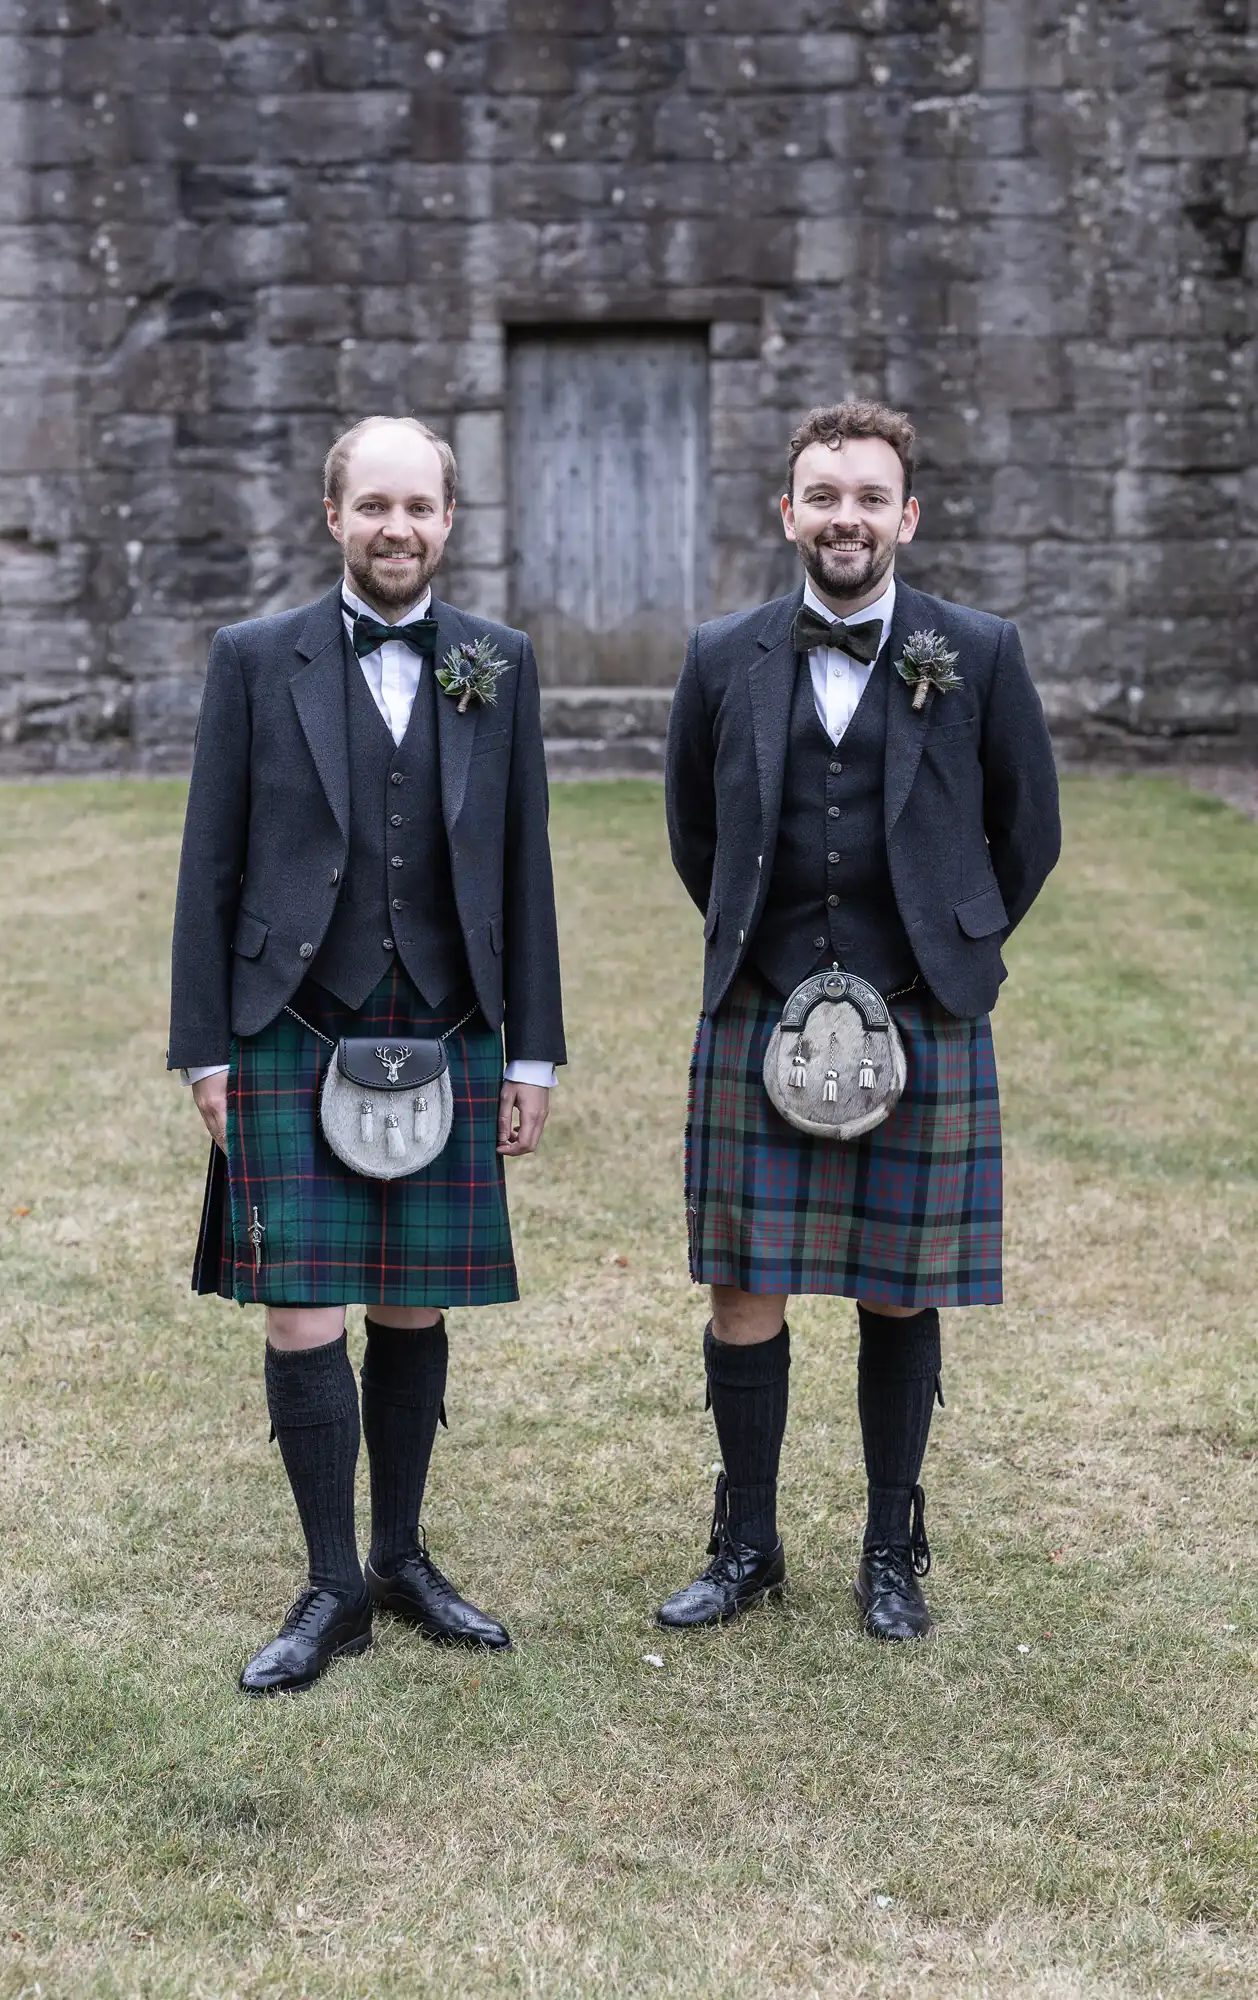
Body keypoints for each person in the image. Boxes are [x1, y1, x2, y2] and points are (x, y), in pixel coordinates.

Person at [167, 415, 564, 1694]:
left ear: (450, 520)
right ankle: (331, 1582)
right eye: (373, 505)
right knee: (303, 1308)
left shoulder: (498, 665)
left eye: (421, 507)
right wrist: (201, 1048)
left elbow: (525, 867)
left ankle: (400, 1554)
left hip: (446, 1018)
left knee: (412, 1295)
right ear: (330, 514)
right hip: (288, 1016)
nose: (397, 527)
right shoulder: (252, 658)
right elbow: (208, 863)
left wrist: (534, 1053)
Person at [658, 399, 1060, 1640]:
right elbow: (693, 827)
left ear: (906, 515)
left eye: (868, 496)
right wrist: (757, 954)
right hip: (761, 1008)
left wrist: (954, 946)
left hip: (915, 1010)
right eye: (822, 495)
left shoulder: (976, 649)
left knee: (899, 1287)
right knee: (742, 1286)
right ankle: (747, 1543)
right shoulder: (723, 652)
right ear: (787, 512)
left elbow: (1025, 826)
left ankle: (892, 1546)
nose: (845, 517)